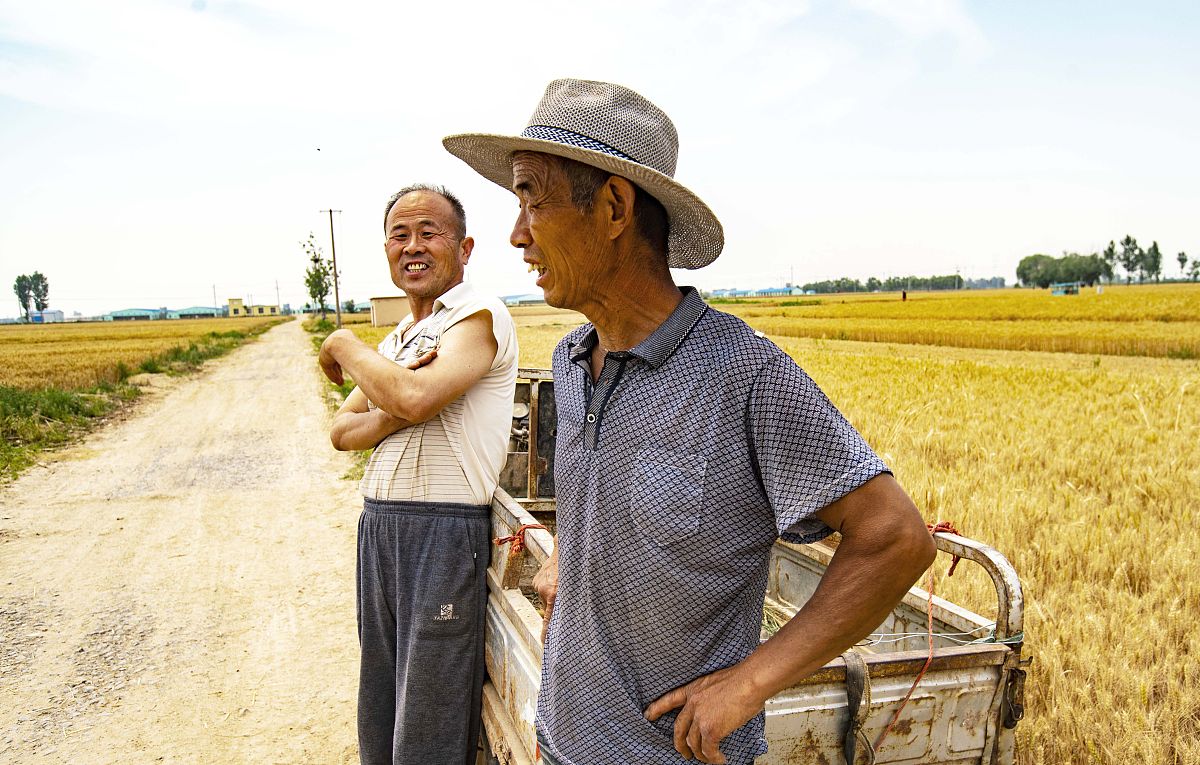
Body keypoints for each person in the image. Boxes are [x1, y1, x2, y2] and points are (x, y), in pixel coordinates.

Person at [443, 80, 936, 765]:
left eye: (533, 197)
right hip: (561, 741)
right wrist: (568, 560)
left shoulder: (744, 374)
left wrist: (752, 681)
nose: (517, 231)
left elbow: (897, 536)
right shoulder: (572, 358)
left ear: (614, 207)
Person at [318, 184, 518, 765]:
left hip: (442, 530)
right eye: (400, 235)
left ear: (465, 247)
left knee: (428, 700)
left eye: (429, 232)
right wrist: (395, 406)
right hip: (380, 529)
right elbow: (340, 431)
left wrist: (343, 343)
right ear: (385, 249)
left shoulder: (478, 317)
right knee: (382, 689)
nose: (413, 246)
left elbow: (416, 393)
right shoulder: (401, 339)